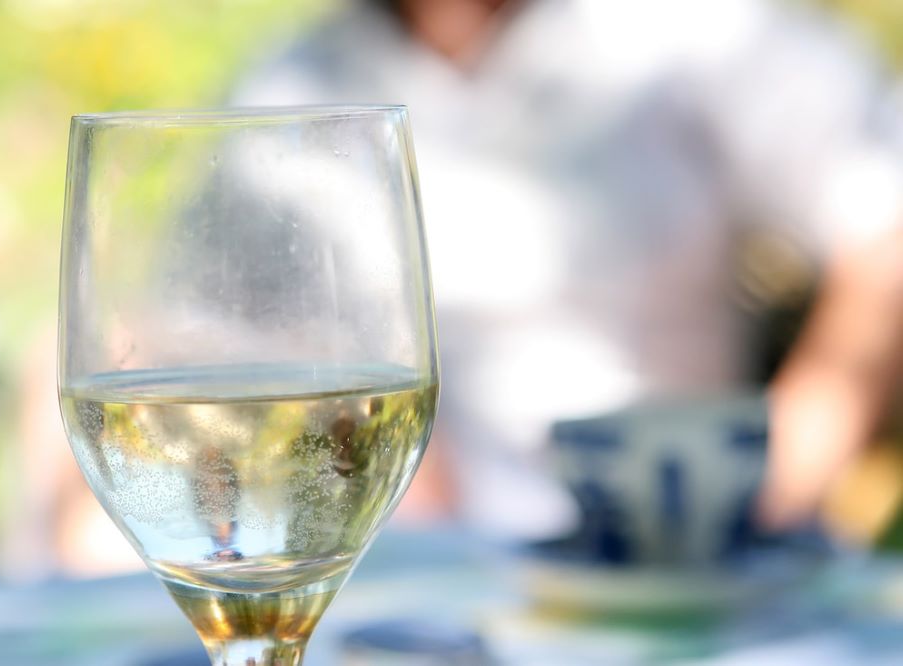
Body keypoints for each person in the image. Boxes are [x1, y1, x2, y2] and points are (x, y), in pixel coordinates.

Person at [231, 0, 903, 538]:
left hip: (682, 571)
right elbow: (202, 344)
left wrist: (779, 481)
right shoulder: (295, 81)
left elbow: (884, 221)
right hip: (430, 580)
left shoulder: (700, 31)